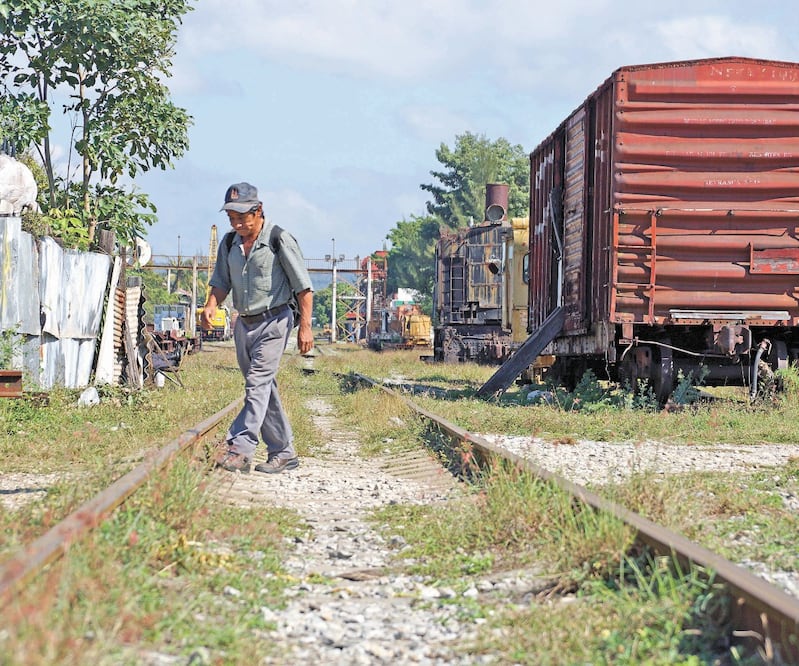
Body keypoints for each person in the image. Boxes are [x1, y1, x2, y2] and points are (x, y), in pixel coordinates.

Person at [201, 182, 314, 474]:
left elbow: (303, 287)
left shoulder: (278, 239)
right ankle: (284, 452)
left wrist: (305, 329)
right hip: (244, 323)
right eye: (232, 218)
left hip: (275, 321)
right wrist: (211, 304)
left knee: (257, 385)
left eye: (242, 217)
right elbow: (221, 282)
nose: (237, 223)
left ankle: (239, 448)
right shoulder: (229, 244)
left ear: (258, 210)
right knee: (264, 389)